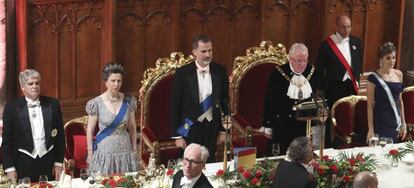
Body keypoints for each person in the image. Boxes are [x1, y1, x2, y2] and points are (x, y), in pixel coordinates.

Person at [171, 35, 229, 162]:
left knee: (209, 162)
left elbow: (225, 101)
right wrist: (177, 136)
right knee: (189, 163)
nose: (208, 54)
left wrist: (224, 130)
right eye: (204, 51)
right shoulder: (183, 73)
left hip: (211, 126)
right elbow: (175, 105)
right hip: (189, 126)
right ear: (194, 52)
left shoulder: (220, 71)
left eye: (210, 50)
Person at [2, 69, 65, 182]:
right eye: (30, 83)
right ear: (22, 87)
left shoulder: (53, 104)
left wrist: (58, 163)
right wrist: (10, 167)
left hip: (48, 160)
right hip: (23, 162)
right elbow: (7, 142)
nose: (35, 86)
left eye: (37, 83)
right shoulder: (12, 108)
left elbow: (60, 137)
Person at [315, 15, 363, 147]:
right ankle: (330, 145)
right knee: (333, 116)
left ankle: (348, 141)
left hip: (351, 84)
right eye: (344, 27)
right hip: (334, 86)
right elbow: (320, 69)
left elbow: (358, 62)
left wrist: (357, 79)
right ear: (336, 26)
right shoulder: (327, 45)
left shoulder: (356, 42)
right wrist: (319, 88)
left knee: (349, 115)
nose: (347, 30)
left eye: (349, 27)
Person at [261, 43, 317, 155]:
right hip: (282, 125)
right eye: (299, 61)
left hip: (304, 125)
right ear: (290, 59)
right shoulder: (278, 73)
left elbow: (315, 97)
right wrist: (267, 125)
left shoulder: (312, 71)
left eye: (305, 60)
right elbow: (270, 100)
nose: (302, 64)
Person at [86, 62, 138, 174]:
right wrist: (90, 153)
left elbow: (132, 127)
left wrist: (134, 149)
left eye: (119, 81)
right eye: (113, 81)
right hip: (104, 153)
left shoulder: (129, 101)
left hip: (125, 152)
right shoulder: (96, 103)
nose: (116, 84)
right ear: (106, 82)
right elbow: (90, 131)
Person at [366, 42, 406, 143]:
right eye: (388, 58)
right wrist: (370, 129)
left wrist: (403, 123)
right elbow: (369, 106)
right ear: (381, 59)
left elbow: (400, 101)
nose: (392, 61)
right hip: (380, 121)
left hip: (394, 122)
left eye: (393, 57)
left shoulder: (399, 75)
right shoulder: (373, 78)